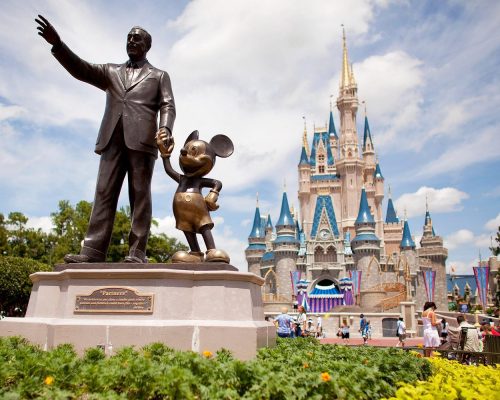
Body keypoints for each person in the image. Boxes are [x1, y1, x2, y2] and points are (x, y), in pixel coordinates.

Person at [35, 15, 175, 264]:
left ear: (147, 46)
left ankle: (136, 252)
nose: (132, 41)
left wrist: (164, 129)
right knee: (104, 193)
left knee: (140, 196)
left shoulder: (159, 75)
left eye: (137, 38)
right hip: (112, 139)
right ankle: (92, 251)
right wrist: (58, 45)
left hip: (142, 142)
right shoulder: (111, 71)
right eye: (129, 37)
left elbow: (168, 105)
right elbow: (81, 69)